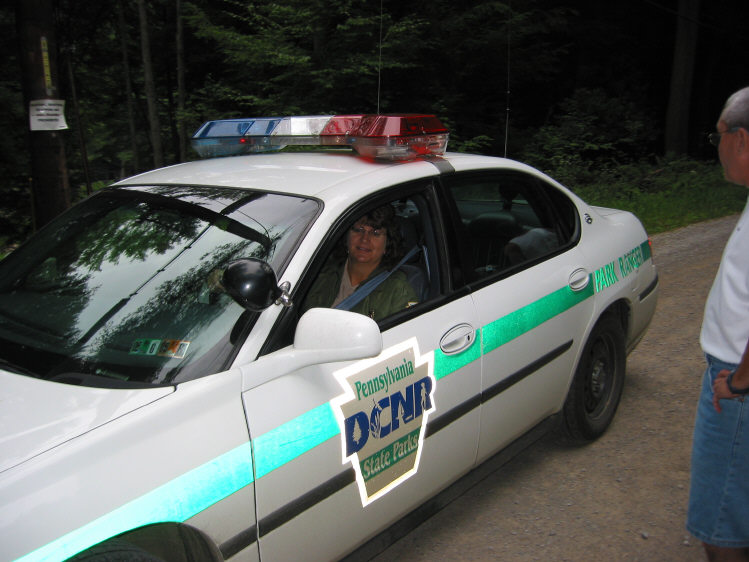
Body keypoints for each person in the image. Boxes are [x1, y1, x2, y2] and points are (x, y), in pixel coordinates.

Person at [688, 86, 749, 562]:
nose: (719, 148)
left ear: (742, 140)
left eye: (719, 137)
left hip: (736, 389)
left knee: (720, 525)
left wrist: (740, 383)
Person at [302, 204, 418, 321]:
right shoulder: (318, 273)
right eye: (358, 230)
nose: (364, 239)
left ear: (387, 244)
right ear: (346, 236)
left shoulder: (398, 290)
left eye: (375, 233)